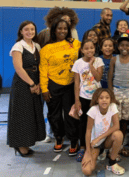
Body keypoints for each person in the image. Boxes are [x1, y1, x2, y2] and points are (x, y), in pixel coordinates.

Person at [39, 18, 81, 156]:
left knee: (71, 114)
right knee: (54, 115)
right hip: (53, 85)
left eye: (65, 28)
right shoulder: (46, 49)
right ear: (54, 30)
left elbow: (88, 51)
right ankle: (59, 137)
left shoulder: (75, 44)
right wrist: (44, 89)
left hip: (70, 85)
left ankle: (74, 140)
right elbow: (43, 71)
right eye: (59, 28)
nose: (62, 31)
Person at [7, 21, 46, 157]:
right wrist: (31, 84)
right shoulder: (18, 46)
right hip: (23, 84)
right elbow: (18, 68)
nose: (30, 32)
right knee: (22, 114)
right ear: (21, 32)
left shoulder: (37, 46)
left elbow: (41, 66)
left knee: (31, 114)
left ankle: (27, 142)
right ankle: (19, 144)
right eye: (26, 29)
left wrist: (40, 84)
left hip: (35, 82)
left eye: (32, 29)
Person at [108, 33, 129, 157]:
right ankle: (113, 144)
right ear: (118, 47)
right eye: (122, 45)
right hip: (116, 91)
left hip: (128, 92)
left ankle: (120, 144)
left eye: (127, 45)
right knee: (116, 118)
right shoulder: (114, 59)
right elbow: (110, 78)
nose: (124, 47)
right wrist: (111, 95)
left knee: (125, 119)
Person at [72, 40, 104, 162]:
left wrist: (91, 65)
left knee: (97, 123)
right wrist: (76, 100)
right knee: (83, 123)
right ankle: (82, 147)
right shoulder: (78, 63)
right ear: (82, 50)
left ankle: (96, 146)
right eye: (86, 48)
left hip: (96, 99)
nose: (89, 50)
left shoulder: (98, 61)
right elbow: (76, 82)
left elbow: (99, 77)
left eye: (92, 48)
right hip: (83, 98)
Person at [81, 88, 125, 176]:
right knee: (87, 171)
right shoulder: (93, 110)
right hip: (95, 144)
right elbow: (88, 132)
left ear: (110, 99)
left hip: (105, 141)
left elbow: (117, 126)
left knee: (118, 134)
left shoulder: (112, 106)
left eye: (107, 97)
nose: (104, 100)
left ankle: (112, 163)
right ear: (97, 100)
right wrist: (88, 152)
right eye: (101, 98)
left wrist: (99, 138)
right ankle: (101, 153)